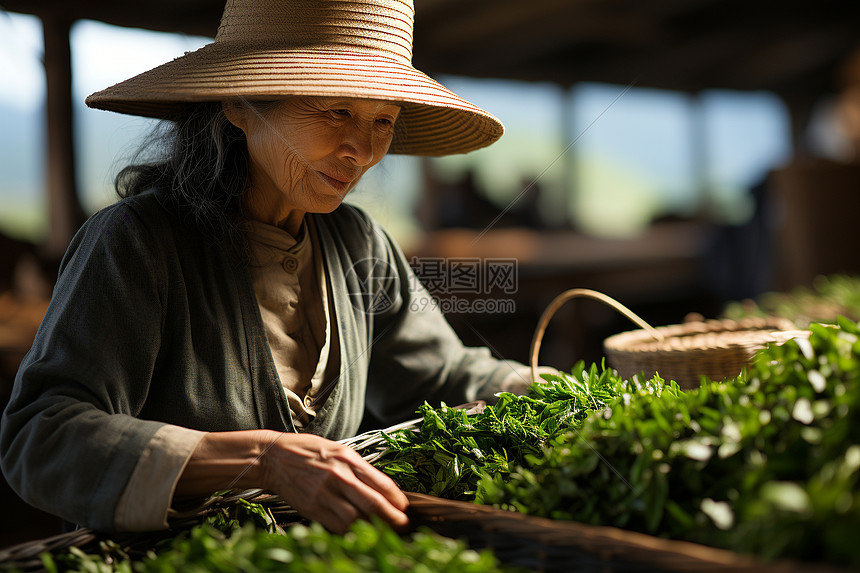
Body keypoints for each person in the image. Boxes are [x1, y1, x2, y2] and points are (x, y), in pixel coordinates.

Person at [0, 0, 549, 536]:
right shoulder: (139, 242)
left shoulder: (358, 243)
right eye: (337, 110)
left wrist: (564, 390)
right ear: (240, 104)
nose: (360, 149)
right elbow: (42, 436)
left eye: (383, 120)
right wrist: (263, 457)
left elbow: (443, 377)